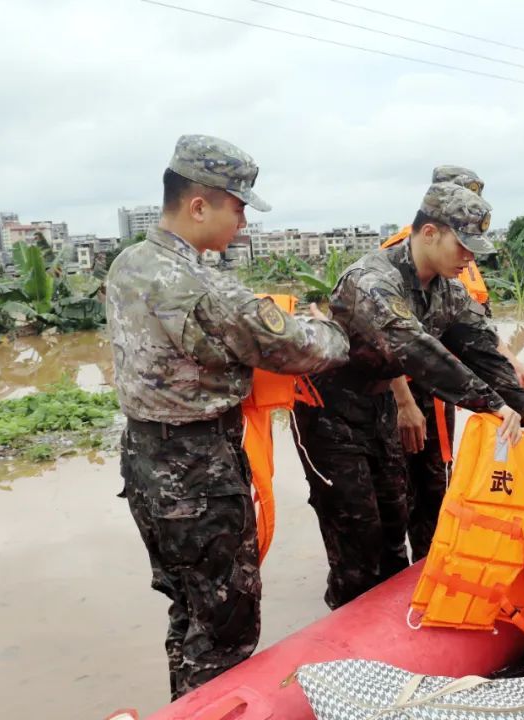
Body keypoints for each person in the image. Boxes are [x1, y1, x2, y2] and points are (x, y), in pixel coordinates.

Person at [106, 135, 352, 699]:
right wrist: (331, 326)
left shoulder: (128, 264)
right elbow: (300, 348)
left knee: (187, 610)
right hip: (199, 472)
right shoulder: (201, 284)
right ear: (199, 205)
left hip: (144, 462)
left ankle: (182, 703)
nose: (241, 223)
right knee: (226, 628)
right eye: (237, 208)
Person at [293, 182, 524, 610]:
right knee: (356, 539)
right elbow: (420, 353)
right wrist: (491, 404)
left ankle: (390, 632)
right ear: (429, 234)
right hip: (330, 414)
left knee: (394, 521)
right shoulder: (372, 282)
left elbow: (481, 349)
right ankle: (347, 636)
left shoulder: (446, 289)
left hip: (379, 406)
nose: (470, 259)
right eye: (463, 246)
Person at [381, 165, 524, 562]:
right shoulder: (392, 263)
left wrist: (518, 386)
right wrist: (404, 402)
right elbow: (402, 346)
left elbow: (477, 332)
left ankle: (428, 562)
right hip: (404, 386)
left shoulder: (456, 264)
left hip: (447, 383)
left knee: (435, 481)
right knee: (395, 494)